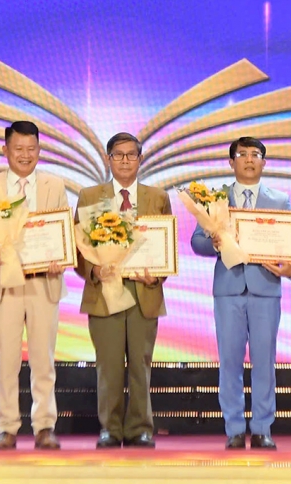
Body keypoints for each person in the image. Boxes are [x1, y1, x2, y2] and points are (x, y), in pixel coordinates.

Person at [191, 137, 291, 450]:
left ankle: (262, 428)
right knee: (230, 362)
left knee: (265, 362)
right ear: (231, 162)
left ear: (264, 162)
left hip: (266, 288)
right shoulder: (216, 198)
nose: (249, 160)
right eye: (242, 154)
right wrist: (214, 242)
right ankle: (234, 428)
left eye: (255, 154)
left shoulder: (280, 200)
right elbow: (196, 242)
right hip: (229, 289)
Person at [0, 121, 69, 451]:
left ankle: (44, 426)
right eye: (18, 149)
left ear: (39, 150)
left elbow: (64, 230)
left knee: (44, 360)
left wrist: (61, 257)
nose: (25, 155)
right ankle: (7, 427)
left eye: (31, 149)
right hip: (5, 285)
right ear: (5, 150)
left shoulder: (55, 185)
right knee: (6, 361)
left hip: (44, 283)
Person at [76, 132, 172, 449]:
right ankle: (110, 428)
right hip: (104, 293)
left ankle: (141, 428)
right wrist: (94, 270)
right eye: (118, 154)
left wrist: (156, 277)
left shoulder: (157, 197)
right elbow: (77, 249)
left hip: (144, 293)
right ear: (108, 159)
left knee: (141, 367)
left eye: (132, 154)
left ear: (140, 159)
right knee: (108, 366)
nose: (125, 160)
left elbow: (166, 247)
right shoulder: (90, 197)